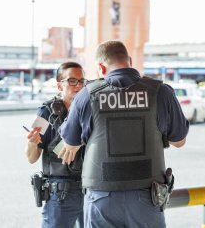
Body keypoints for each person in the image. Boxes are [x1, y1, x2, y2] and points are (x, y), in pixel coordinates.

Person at [59, 40, 189, 228]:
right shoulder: (161, 92)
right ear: (129, 60)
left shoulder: (87, 95)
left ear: (101, 68)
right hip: (148, 196)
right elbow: (179, 141)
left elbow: (70, 143)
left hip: (102, 198)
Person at [25, 62, 87, 228]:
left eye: (82, 81)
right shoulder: (46, 112)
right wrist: (32, 143)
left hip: (91, 189)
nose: (79, 86)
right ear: (59, 85)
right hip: (61, 194)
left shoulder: (91, 109)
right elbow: (31, 158)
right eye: (72, 81)